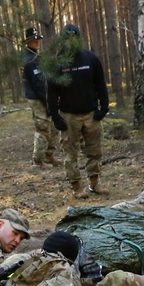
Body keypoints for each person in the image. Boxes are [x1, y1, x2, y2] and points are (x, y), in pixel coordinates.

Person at [45, 24, 110, 198]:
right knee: (70, 153)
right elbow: (51, 94)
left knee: (94, 151)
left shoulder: (91, 59)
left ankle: (94, 184)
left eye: (74, 37)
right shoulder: (57, 63)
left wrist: (104, 107)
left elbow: (101, 84)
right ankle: (76, 188)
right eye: (67, 38)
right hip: (68, 116)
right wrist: (55, 116)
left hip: (91, 114)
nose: (70, 41)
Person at [22, 27, 58, 167]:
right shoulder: (30, 61)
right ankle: (37, 160)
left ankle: (49, 155)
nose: (36, 42)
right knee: (42, 127)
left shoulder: (39, 57)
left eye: (37, 40)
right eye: (33, 40)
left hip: (46, 96)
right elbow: (38, 85)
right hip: (38, 98)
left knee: (54, 126)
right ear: (28, 42)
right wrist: (47, 101)